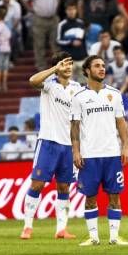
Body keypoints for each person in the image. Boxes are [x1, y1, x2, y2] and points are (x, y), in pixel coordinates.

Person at [20, 52, 82, 240]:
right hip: (48, 141)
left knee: (64, 187)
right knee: (37, 184)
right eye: (65, 64)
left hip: (68, 146)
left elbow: (77, 120)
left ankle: (61, 229)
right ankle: (27, 226)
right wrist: (55, 69)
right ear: (57, 67)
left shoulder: (77, 88)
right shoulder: (48, 85)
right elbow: (32, 80)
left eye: (70, 63)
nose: (69, 67)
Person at [71, 55, 128, 246]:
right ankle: (93, 237)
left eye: (103, 66)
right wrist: (76, 151)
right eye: (97, 66)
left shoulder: (114, 94)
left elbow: (121, 122)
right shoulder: (79, 97)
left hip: (112, 154)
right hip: (89, 155)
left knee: (115, 195)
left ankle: (114, 237)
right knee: (90, 197)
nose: (102, 69)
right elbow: (74, 127)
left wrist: (126, 146)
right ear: (87, 70)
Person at [20, 0, 61, 71]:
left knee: (55, 43)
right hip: (39, 19)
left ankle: (57, 67)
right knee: (39, 44)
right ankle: (41, 67)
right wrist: (30, 10)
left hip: (53, 18)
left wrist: (56, 7)